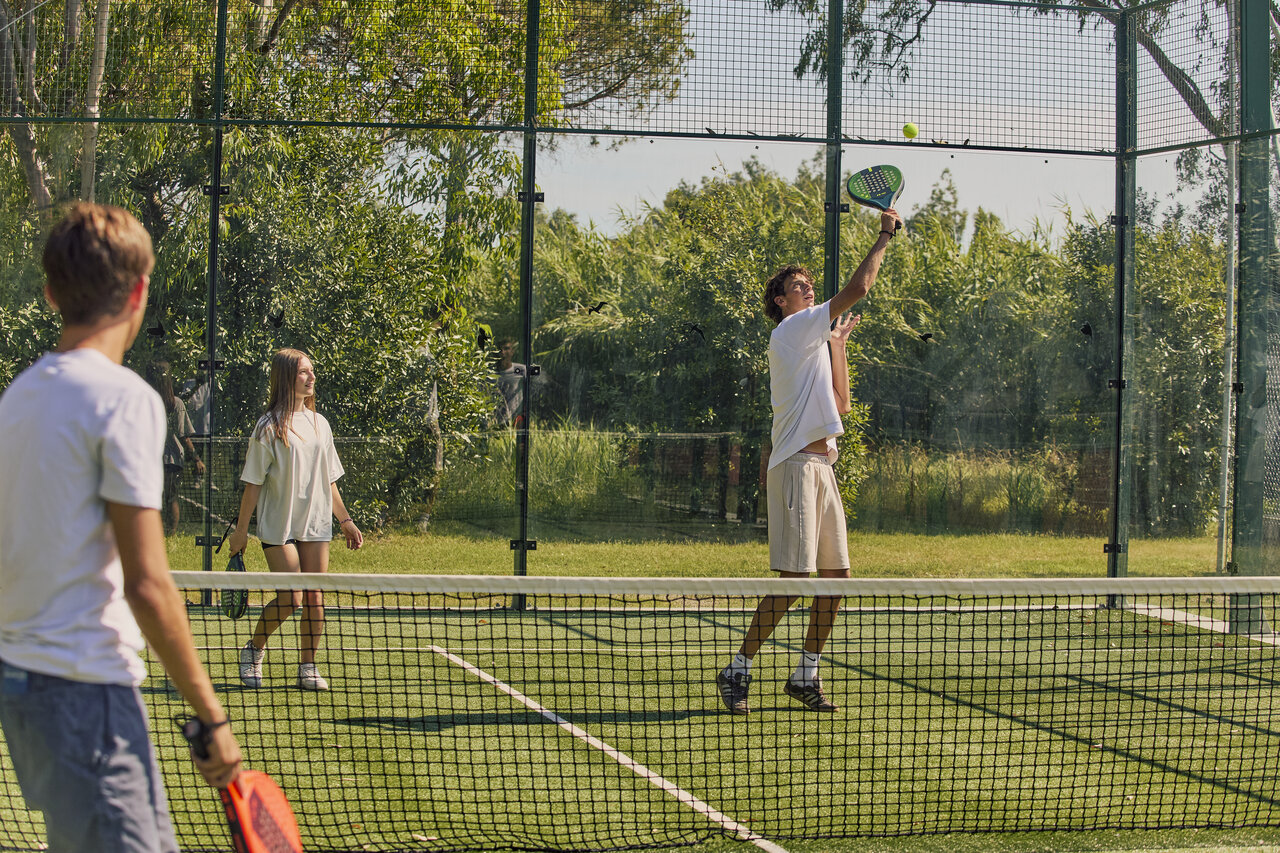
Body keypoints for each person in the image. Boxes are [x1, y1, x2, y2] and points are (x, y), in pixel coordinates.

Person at [0, 203, 242, 852]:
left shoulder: (16, 400)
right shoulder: (124, 398)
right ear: (138, 293)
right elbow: (149, 585)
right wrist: (211, 713)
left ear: (51, 293)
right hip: (86, 694)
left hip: (21, 690)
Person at [716, 208, 903, 715]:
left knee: (836, 579)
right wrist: (884, 235)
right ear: (783, 302)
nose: (809, 288)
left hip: (824, 468)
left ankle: (805, 675)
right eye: (800, 285)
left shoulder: (815, 341)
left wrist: (839, 345)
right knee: (796, 581)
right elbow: (860, 287)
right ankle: (738, 669)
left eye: (808, 283)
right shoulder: (792, 330)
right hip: (797, 465)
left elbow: (841, 405)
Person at [228, 348, 363, 691]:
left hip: (316, 525)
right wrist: (241, 532)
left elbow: (328, 479)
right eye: (304, 372)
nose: (311, 377)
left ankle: (308, 666)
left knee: (315, 597)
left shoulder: (321, 424)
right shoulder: (267, 427)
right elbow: (253, 484)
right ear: (287, 377)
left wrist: (345, 520)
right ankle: (253, 651)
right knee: (292, 598)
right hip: (279, 526)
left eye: (312, 371)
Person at [146, 360, 205, 535]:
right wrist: (197, 459)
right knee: (172, 497)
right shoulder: (176, 403)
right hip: (172, 459)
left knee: (154, 497)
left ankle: (158, 532)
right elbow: (183, 435)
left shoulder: (149, 402)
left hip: (153, 458)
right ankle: (170, 532)